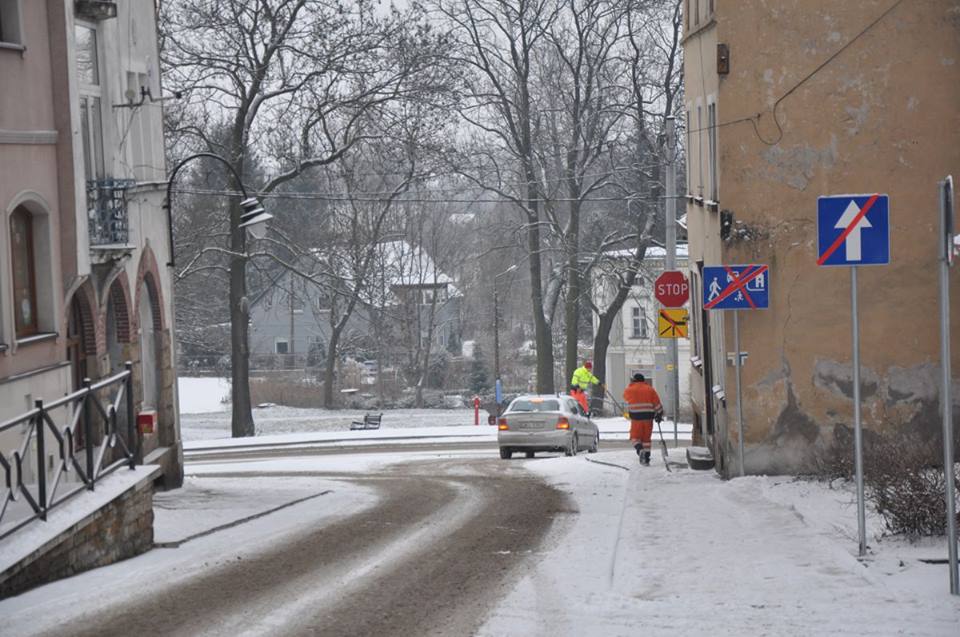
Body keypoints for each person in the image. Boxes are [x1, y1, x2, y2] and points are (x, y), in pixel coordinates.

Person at [623, 372, 663, 465]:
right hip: (648, 418)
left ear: (634, 380)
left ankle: (640, 450)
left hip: (636, 418)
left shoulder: (629, 390)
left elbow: (625, 397)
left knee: (635, 437)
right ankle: (646, 458)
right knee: (646, 439)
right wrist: (659, 414)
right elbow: (657, 404)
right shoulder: (650, 390)